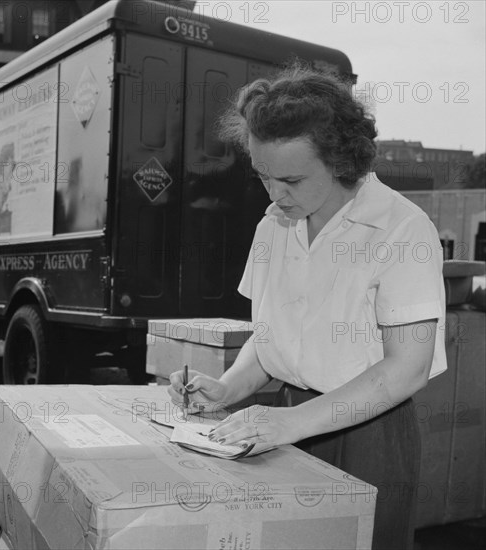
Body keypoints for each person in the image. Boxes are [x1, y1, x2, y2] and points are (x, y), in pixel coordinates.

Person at [168, 64, 447, 550]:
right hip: (284, 417)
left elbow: (408, 368)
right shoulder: (273, 226)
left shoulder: (403, 229)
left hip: (369, 433)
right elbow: (272, 333)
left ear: (341, 160)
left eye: (291, 179)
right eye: (263, 177)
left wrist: (291, 424)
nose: (275, 194)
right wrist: (228, 388)